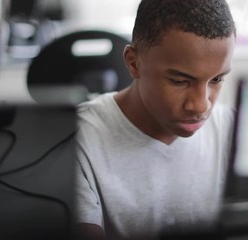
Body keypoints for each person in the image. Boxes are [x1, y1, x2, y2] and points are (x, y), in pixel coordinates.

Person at [74, 0, 236, 239]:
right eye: (180, 81)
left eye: (217, 80)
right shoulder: (77, 140)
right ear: (133, 62)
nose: (201, 105)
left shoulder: (233, 130)